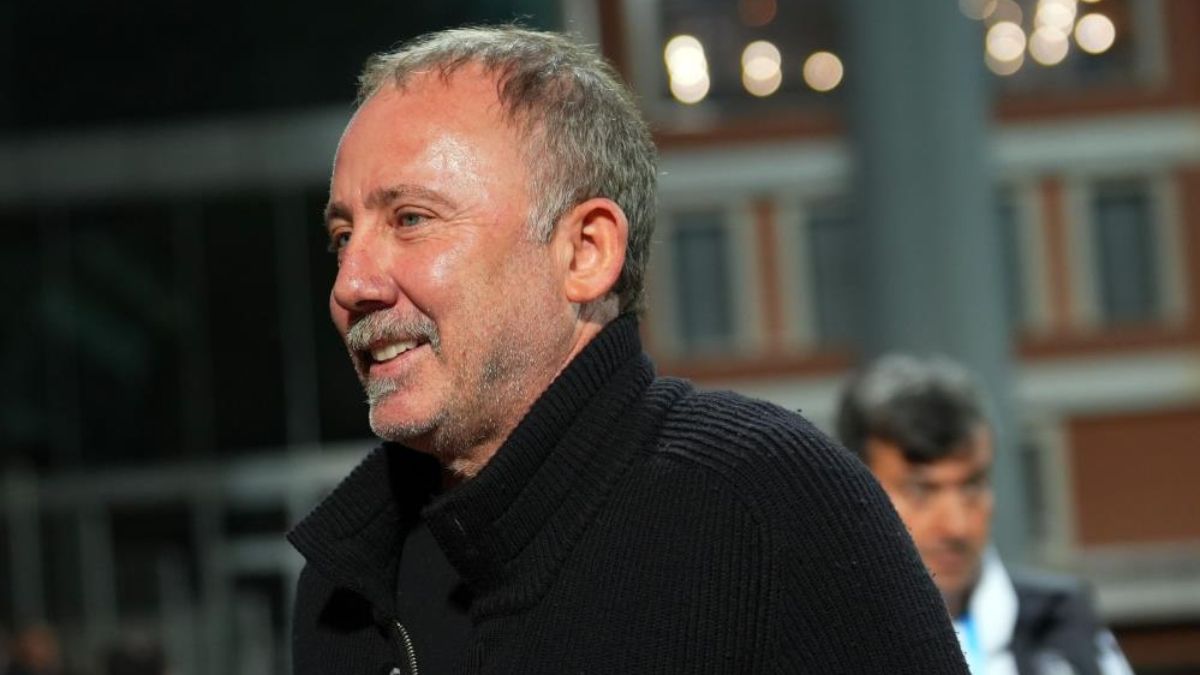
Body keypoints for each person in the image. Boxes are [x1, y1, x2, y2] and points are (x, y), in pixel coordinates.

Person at [288, 25, 967, 674]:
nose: (351, 284)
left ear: (586, 251)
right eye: (343, 237)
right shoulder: (345, 584)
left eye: (411, 219)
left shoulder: (766, 506)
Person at [836, 354, 1134, 675]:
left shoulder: (1063, 626)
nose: (956, 526)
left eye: (972, 486)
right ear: (855, 493)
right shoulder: (818, 640)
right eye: (921, 491)